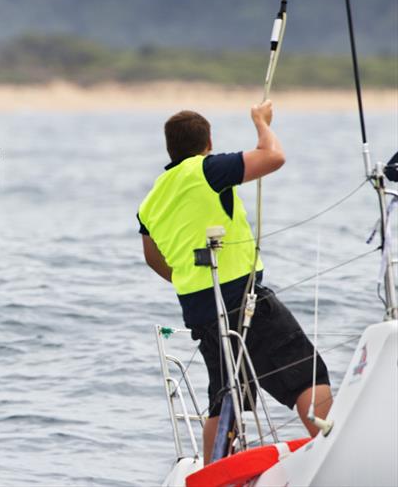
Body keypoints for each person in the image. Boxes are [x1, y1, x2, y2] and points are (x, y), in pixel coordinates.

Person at [137, 100, 332, 462]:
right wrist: (262, 123)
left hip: (198, 306)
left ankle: (215, 469)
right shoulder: (207, 168)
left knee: (225, 392)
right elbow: (273, 156)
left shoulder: (152, 199)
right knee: (304, 369)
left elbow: (151, 257)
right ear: (208, 142)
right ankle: (333, 449)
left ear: (170, 148)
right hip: (240, 296)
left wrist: (187, 278)